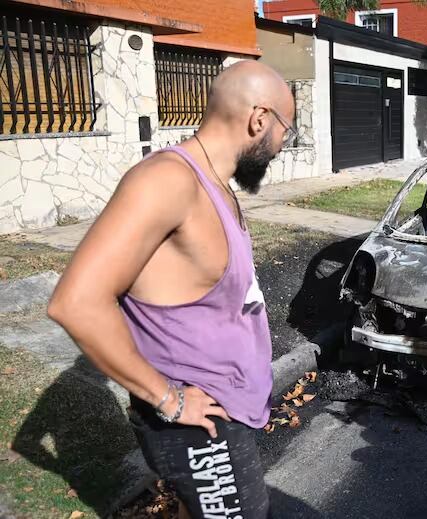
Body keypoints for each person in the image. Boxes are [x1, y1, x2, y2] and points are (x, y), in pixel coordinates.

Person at [48, 60, 296, 519]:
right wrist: (168, 398)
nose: (283, 145)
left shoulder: (215, 183)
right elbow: (75, 302)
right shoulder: (168, 180)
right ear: (259, 119)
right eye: (286, 130)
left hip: (223, 410)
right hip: (198, 424)